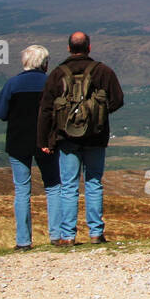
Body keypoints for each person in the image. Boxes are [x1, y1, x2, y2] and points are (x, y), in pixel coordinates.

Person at [37, 31, 124, 246]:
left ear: (68, 48)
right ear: (89, 47)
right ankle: (95, 232)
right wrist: (98, 116)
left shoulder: (57, 74)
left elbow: (46, 110)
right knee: (94, 182)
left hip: (67, 139)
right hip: (96, 137)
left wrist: (44, 140)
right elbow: (117, 100)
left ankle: (68, 235)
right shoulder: (103, 71)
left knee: (69, 186)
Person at [0, 44, 61, 250]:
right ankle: (57, 236)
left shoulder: (12, 84)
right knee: (53, 186)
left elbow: (1, 113)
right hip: (46, 142)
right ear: (44, 63)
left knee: (22, 190)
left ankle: (23, 241)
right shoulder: (53, 83)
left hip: (18, 142)